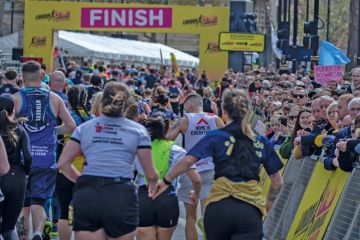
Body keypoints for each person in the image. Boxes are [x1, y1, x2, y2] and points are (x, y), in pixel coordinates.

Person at [155, 88, 283, 240]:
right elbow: (277, 181)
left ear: (225, 110)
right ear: (248, 111)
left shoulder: (213, 135)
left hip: (217, 202)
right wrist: (266, 207)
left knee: (192, 218)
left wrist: (166, 180)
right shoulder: (260, 141)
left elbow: (185, 158)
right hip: (249, 208)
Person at [58, 82, 159, 240]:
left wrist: (83, 181)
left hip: (89, 192)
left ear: (102, 102)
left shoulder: (85, 128)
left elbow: (63, 164)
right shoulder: (138, 130)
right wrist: (153, 187)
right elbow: (150, 174)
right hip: (120, 192)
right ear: (127, 104)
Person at [13, 61, 76, 240]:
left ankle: (24, 237)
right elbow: (71, 126)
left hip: (22, 160)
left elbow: (7, 126)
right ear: (42, 76)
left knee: (23, 206)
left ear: (22, 78)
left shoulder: (16, 98)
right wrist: (52, 131)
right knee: (39, 202)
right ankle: (39, 232)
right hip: (46, 159)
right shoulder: (54, 98)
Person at [167, 93, 224, 240]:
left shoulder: (184, 120)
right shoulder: (215, 119)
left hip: (190, 171)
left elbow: (168, 139)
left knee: (191, 218)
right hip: (210, 169)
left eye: (184, 106)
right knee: (208, 216)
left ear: (190, 105)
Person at [135, 117, 201, 240]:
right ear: (167, 130)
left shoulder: (138, 149)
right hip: (167, 198)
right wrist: (196, 194)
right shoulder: (176, 150)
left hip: (144, 197)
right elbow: (196, 179)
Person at [56, 86, 91, 240]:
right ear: (85, 99)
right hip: (84, 172)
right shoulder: (92, 119)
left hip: (64, 169)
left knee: (64, 211)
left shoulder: (64, 117)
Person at [0, 95, 32, 239]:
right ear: (13, 110)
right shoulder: (19, 130)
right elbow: (28, 156)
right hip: (17, 178)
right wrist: (26, 172)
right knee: (9, 227)